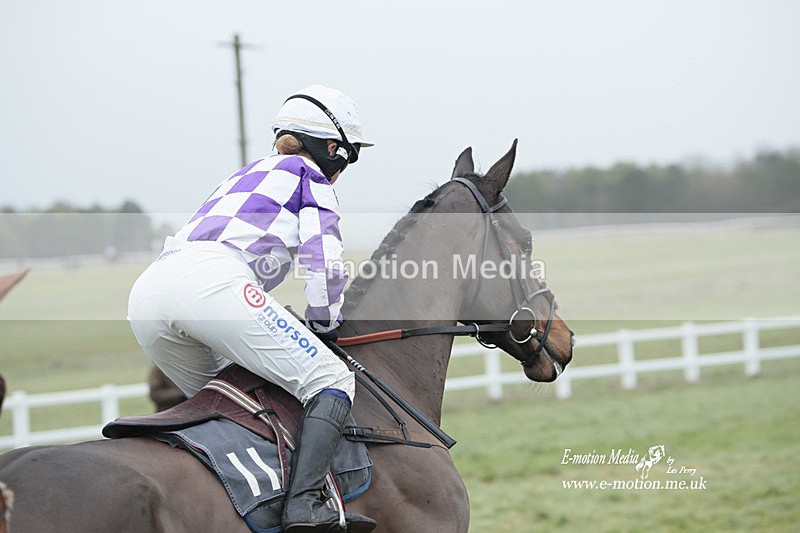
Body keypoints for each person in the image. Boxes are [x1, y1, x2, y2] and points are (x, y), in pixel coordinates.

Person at [128, 84, 376, 533]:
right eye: (349, 156)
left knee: (241, 404)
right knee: (331, 377)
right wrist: (325, 325)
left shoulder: (242, 174)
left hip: (149, 293)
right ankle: (304, 507)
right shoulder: (311, 178)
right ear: (334, 149)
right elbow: (324, 264)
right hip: (213, 285)